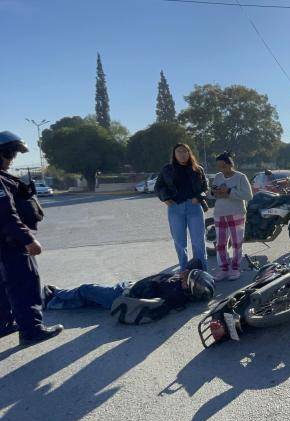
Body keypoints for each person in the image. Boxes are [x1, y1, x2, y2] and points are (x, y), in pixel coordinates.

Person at [0, 131, 63, 345]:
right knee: (24, 284)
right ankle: (32, 331)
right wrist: (28, 239)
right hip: (11, 243)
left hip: (4, 243)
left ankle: (4, 323)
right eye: (10, 155)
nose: (12, 160)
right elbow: (6, 214)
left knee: (3, 284)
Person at [43, 261, 214, 314]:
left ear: (189, 287)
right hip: (128, 287)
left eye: (188, 276)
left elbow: (150, 295)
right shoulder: (180, 288)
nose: (184, 273)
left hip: (122, 294)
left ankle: (56, 294)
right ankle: (53, 302)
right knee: (89, 301)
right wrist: (193, 272)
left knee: (87, 289)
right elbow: (196, 262)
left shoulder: (173, 293)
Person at [155, 143, 209, 272]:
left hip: (194, 208)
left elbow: (205, 188)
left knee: (198, 242)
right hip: (175, 208)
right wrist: (166, 199)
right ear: (174, 154)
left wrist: (199, 197)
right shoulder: (167, 169)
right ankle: (184, 272)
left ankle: (201, 272)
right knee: (180, 243)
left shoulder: (198, 169)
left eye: (185, 151)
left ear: (189, 153)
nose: (182, 154)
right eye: (179, 151)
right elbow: (158, 187)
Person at [210, 151, 253, 281]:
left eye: (223, 166)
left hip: (236, 213)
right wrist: (213, 192)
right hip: (220, 213)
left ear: (230, 164)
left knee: (236, 243)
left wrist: (229, 191)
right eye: (219, 166)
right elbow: (210, 193)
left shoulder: (241, 177)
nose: (221, 169)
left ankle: (235, 268)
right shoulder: (218, 176)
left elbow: (248, 195)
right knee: (220, 243)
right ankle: (223, 269)